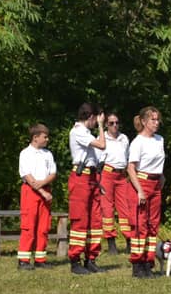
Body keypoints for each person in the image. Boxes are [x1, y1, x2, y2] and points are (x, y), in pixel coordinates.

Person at [127, 106, 165, 279]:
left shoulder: (159, 139)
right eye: (152, 120)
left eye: (157, 120)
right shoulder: (138, 142)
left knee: (152, 224)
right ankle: (137, 263)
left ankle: (149, 261)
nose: (156, 123)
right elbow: (131, 168)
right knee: (139, 224)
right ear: (143, 121)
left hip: (156, 183)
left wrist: (161, 177)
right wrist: (140, 191)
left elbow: (159, 162)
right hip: (141, 182)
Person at [68, 102, 106, 275]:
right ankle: (75, 260)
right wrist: (101, 126)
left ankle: (91, 258)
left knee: (95, 220)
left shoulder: (87, 133)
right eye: (96, 119)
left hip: (91, 177)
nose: (97, 122)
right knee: (80, 219)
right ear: (91, 117)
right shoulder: (78, 131)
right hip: (81, 178)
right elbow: (102, 145)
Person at [17, 123, 57, 270]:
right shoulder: (25, 153)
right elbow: (28, 176)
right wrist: (42, 191)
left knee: (43, 226)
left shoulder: (48, 154)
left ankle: (40, 259)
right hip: (30, 192)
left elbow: (53, 173)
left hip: (45, 190)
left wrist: (43, 184)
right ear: (35, 137)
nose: (47, 139)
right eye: (45, 137)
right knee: (29, 226)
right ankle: (24, 260)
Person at [100, 113, 131, 255]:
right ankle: (111, 242)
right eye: (111, 123)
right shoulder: (102, 138)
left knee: (125, 208)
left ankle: (129, 240)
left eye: (117, 122)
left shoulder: (124, 138)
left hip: (122, 175)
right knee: (107, 209)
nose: (115, 125)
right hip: (107, 173)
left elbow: (128, 157)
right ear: (106, 124)